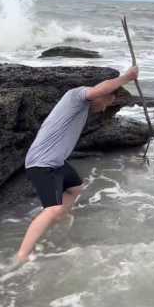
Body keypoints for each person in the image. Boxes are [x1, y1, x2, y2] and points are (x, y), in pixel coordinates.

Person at [16, 65, 139, 262]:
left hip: (56, 162)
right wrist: (127, 77)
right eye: (109, 101)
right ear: (102, 93)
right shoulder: (76, 96)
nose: (105, 108)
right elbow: (101, 89)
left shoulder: (80, 108)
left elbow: (102, 92)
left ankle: (59, 218)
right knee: (53, 208)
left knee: (75, 188)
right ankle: (21, 256)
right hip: (41, 162)